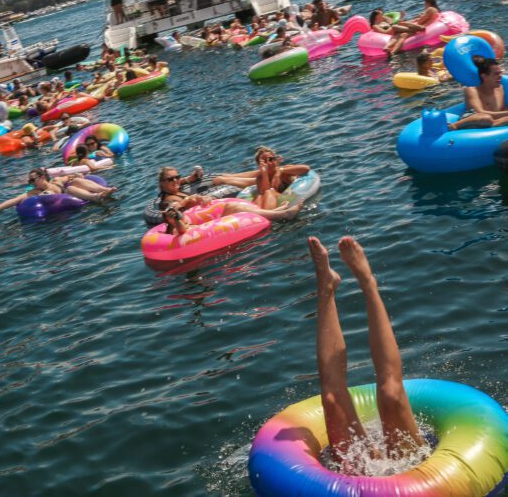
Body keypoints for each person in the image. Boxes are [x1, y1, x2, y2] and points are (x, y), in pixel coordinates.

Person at [308, 236, 425, 471]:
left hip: (362, 480)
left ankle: (327, 286)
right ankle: (367, 282)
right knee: (391, 391)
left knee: (332, 398)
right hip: (410, 473)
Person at [157, 166, 304, 222]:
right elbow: (172, 207)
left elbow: (180, 182)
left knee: (239, 200)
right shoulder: (169, 199)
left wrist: (188, 178)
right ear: (162, 183)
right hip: (204, 223)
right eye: (171, 179)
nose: (176, 180)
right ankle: (282, 215)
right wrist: (188, 200)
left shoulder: (175, 188)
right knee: (233, 207)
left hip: (209, 213)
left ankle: (270, 173)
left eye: (177, 177)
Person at [0, 167, 116, 218]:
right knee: (69, 189)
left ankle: (104, 190)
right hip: (70, 206)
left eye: (33, 179)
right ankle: (96, 197)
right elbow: (15, 200)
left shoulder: (57, 181)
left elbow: (72, 176)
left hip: (78, 194)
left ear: (42, 177)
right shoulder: (36, 192)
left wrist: (79, 175)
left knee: (73, 183)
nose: (32, 182)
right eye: (30, 181)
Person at [449, 56, 508, 129]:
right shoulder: (472, 89)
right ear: (484, 76)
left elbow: (503, 108)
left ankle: (494, 125)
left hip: (492, 121)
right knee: (485, 118)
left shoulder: (500, 88)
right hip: (474, 119)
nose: (500, 76)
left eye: (500, 73)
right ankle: (454, 126)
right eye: (496, 74)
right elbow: (478, 112)